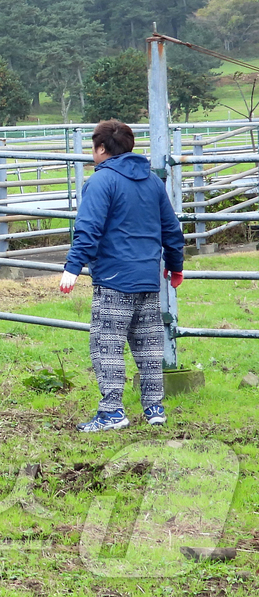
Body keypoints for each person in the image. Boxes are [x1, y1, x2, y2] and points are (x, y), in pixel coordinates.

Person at [60, 119, 184, 432]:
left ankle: (112, 411)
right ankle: (154, 408)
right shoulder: (152, 181)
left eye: (93, 147)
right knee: (149, 346)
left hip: (114, 277)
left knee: (108, 344)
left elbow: (88, 228)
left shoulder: (101, 182)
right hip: (147, 276)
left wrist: (73, 267)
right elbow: (171, 227)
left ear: (102, 148)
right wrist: (176, 264)